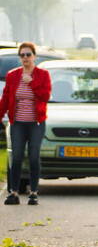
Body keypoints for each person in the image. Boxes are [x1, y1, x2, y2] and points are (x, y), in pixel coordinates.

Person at [0, 42, 51, 205]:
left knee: (34, 156)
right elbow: (6, 98)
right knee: (16, 157)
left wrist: (31, 82)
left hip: (36, 123)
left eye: (28, 55)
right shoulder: (12, 75)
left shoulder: (42, 75)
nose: (25, 58)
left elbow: (45, 96)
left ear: (34, 56)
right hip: (18, 123)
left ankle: (34, 192)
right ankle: (13, 192)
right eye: (22, 55)